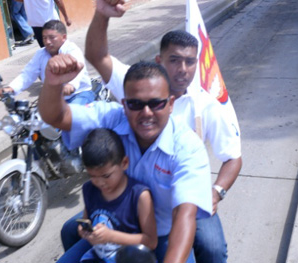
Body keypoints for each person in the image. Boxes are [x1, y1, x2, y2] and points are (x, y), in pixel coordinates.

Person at [84, 1, 242, 262]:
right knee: (72, 232)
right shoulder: (137, 83)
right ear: (159, 60)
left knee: (213, 249)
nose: (183, 69)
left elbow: (234, 157)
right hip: (130, 197)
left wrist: (216, 192)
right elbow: (97, 56)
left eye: (190, 62)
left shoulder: (207, 106)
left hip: (180, 200)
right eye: (175, 60)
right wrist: (102, 15)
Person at [39, 58, 213, 263]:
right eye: (136, 104)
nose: (146, 113)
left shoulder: (188, 148)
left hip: (163, 234)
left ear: (171, 104)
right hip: (116, 225)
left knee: (209, 249)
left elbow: (184, 214)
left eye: (156, 103)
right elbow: (57, 116)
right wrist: (52, 83)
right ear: (124, 104)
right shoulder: (112, 117)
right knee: (70, 231)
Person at [58, 128, 157, 263]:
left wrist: (111, 236)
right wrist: (84, 232)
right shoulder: (89, 189)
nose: (99, 182)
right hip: (97, 255)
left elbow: (150, 241)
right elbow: (86, 220)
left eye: (106, 176)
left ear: (124, 163)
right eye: (92, 176)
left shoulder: (139, 196)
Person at [0, 20, 95, 106]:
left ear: (63, 37)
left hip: (79, 94)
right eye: (44, 38)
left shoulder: (72, 50)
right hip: (54, 98)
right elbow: (28, 74)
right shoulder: (41, 53)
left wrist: (71, 85)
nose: (47, 42)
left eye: (52, 37)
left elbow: (78, 70)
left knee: (71, 121)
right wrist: (11, 88)